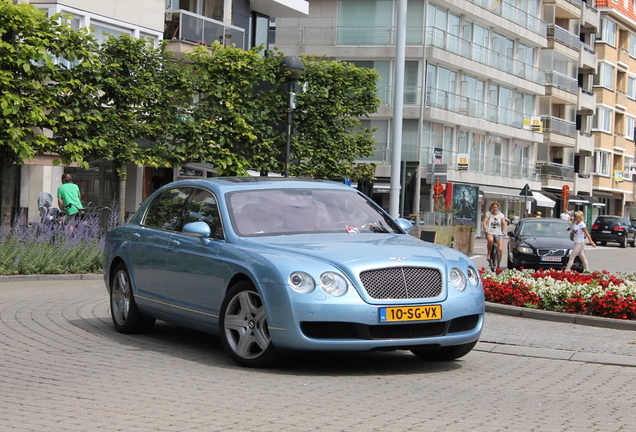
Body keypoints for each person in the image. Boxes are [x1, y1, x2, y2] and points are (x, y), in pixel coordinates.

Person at [483, 202, 507, 268]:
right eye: (493, 207)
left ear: (498, 208)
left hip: (498, 232)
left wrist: (504, 231)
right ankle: (488, 254)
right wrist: (485, 229)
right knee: (490, 240)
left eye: (496, 207)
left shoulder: (501, 215)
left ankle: (498, 263)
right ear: (491, 208)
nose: (494, 209)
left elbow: (504, 224)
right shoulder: (488, 214)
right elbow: (485, 222)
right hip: (490, 232)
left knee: (500, 249)